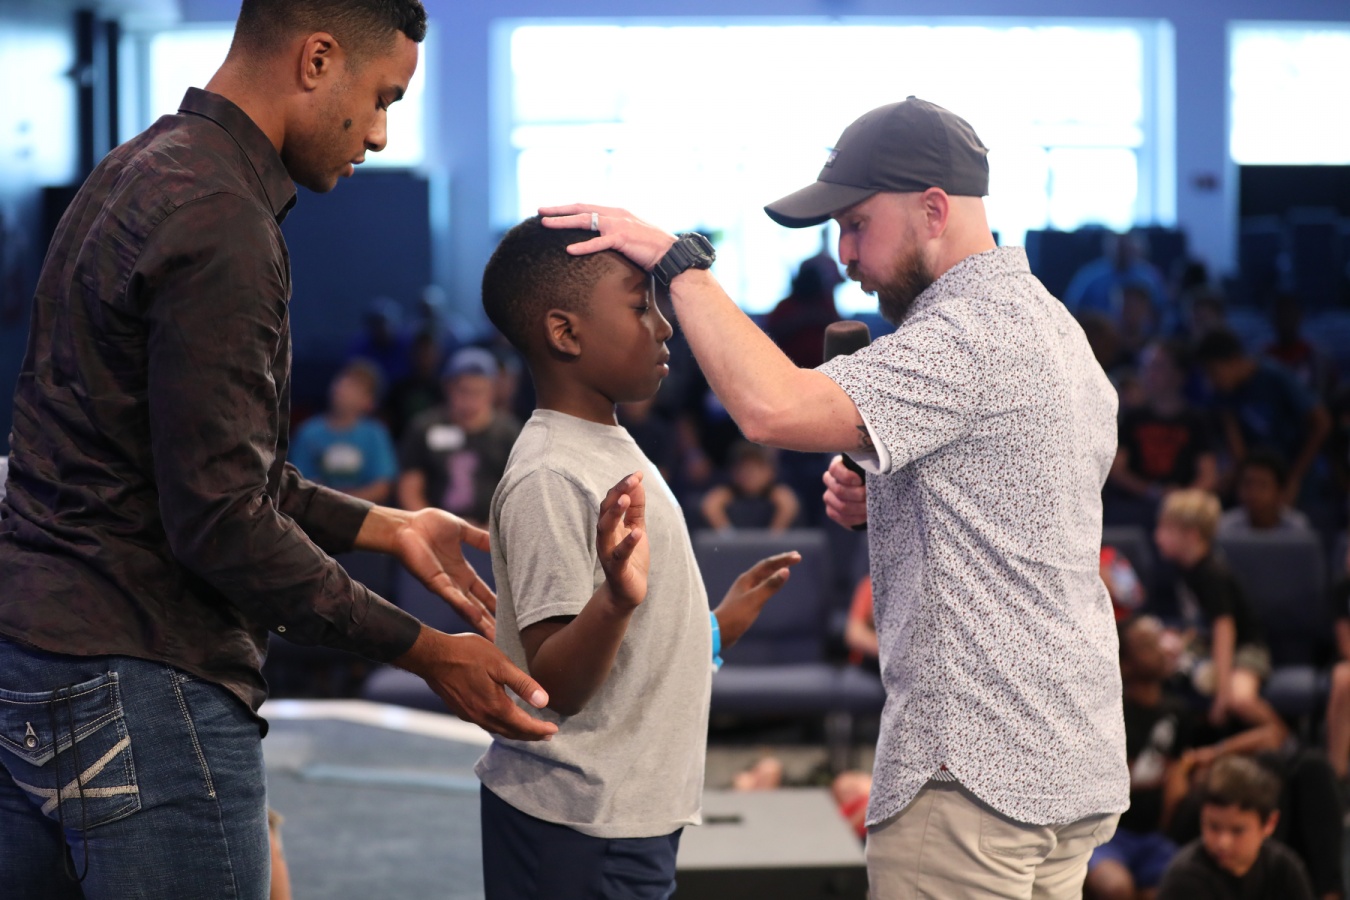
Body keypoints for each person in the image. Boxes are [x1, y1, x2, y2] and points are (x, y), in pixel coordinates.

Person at [0, 3, 556, 896]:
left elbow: (195, 465)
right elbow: (222, 520)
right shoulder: (223, 217)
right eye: (382, 98)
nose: (379, 134)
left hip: (32, 660)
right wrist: (425, 649)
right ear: (317, 59)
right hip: (146, 675)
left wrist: (386, 526)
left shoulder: (132, 169)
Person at [542, 96, 1128, 898]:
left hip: (976, 770)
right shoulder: (1054, 327)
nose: (844, 253)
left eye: (856, 224)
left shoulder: (967, 333)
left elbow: (770, 408)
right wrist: (895, 491)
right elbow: (1018, 503)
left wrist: (679, 267)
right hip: (1069, 759)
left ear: (933, 210)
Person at [473, 216, 799, 899]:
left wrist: (714, 629)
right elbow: (555, 683)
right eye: (639, 306)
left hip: (621, 814)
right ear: (566, 333)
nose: (665, 325)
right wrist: (618, 600)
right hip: (578, 826)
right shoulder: (550, 474)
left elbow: (629, 648)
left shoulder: (604, 442)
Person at [1085, 616, 1288, 900]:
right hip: (1110, 834)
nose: (1160, 650)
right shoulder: (1110, 713)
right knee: (1116, 888)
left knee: (1176, 887)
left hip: (1156, 838)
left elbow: (1269, 737)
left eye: (1159, 641)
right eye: (1147, 646)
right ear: (1124, 663)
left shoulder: (1177, 711)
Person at [1152, 490, 1275, 728]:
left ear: (1191, 535)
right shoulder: (1183, 568)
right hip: (1208, 647)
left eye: (1166, 529)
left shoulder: (1212, 573)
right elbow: (1197, 623)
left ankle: (1283, 739)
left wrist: (1223, 692)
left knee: (1239, 700)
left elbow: (1224, 629)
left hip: (1245, 649)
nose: (1157, 537)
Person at [1194, 326, 1331, 507]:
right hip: (1258, 479)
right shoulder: (1223, 394)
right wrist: (1233, 477)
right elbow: (1237, 447)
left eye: (1213, 372)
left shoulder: (1274, 377)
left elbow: (1322, 422)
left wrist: (1294, 477)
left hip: (1296, 473)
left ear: (1234, 360)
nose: (1211, 381)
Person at [1156, 755, 1315, 900]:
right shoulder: (1185, 878)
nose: (1223, 842)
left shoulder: (1285, 870)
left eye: (1237, 830)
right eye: (1213, 827)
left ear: (1269, 823)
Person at [397, 346, 521, 526]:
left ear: (492, 391)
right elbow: (409, 490)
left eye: (478, 392)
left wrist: (491, 529)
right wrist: (434, 527)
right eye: (463, 391)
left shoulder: (508, 433)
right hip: (433, 530)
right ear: (448, 387)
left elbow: (518, 493)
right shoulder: (424, 427)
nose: (470, 401)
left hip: (489, 532)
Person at [290, 359, 399, 503]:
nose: (343, 388)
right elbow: (300, 481)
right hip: (317, 511)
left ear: (369, 402)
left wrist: (346, 506)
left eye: (354, 387)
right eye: (342, 381)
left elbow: (382, 486)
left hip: (362, 512)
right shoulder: (308, 431)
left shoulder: (375, 434)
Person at [1062, 230, 1170, 319]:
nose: (1122, 249)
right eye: (1119, 245)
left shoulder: (1149, 277)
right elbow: (1072, 307)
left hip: (1143, 337)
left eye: (1126, 245)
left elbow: (1163, 310)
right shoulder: (1089, 277)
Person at [699, 440, 801, 532]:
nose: (749, 474)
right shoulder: (725, 493)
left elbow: (788, 503)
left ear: (770, 471)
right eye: (743, 468)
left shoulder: (780, 494)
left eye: (755, 468)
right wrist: (728, 536)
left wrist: (774, 536)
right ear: (733, 472)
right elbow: (710, 504)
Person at [1216, 450, 1313, 537]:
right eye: (1248, 484)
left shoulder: (1297, 527)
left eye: (1262, 485)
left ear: (1280, 492)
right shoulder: (1226, 526)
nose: (1253, 492)